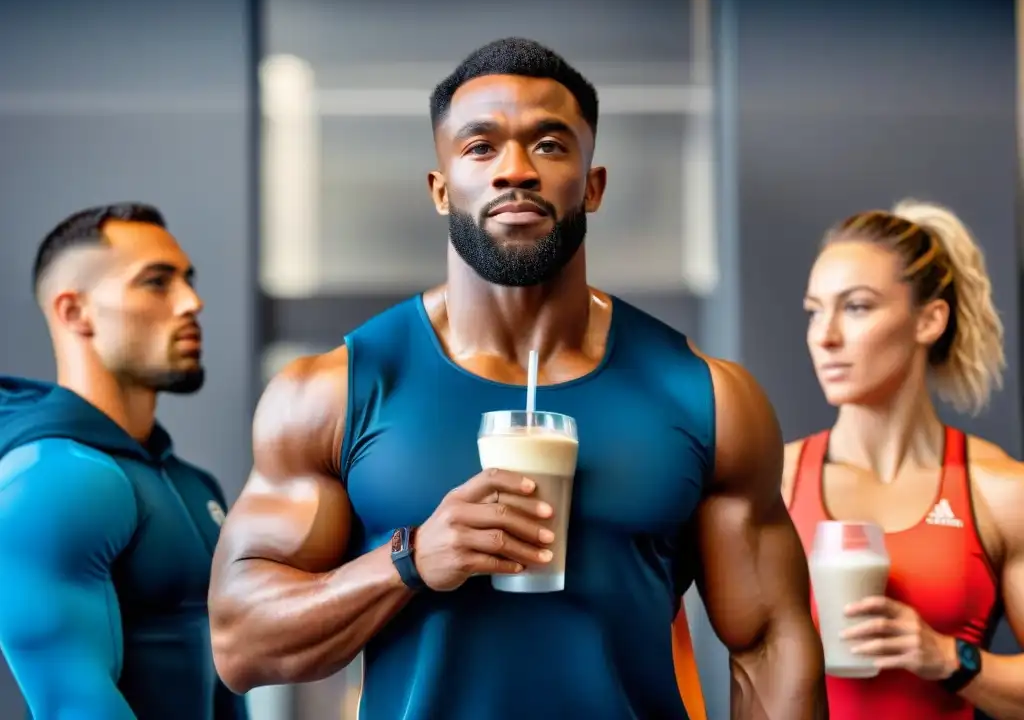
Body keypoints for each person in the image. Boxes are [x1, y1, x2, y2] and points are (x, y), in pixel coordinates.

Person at [209, 36, 826, 719]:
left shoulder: (704, 396)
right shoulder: (333, 392)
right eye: (481, 147)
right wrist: (411, 562)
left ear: (592, 186)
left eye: (550, 145)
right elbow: (242, 644)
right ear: (441, 190)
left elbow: (771, 648)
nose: (516, 171)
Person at [0, 203, 249, 720]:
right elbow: (71, 704)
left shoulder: (190, 484)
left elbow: (225, 685)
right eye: (157, 283)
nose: (192, 301)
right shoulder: (52, 478)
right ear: (75, 312)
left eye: (188, 280)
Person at [785, 199, 1024, 719]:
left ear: (929, 320)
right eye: (814, 310)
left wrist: (944, 656)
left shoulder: (1000, 490)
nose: (824, 337)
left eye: (857, 307)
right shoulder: (775, 483)